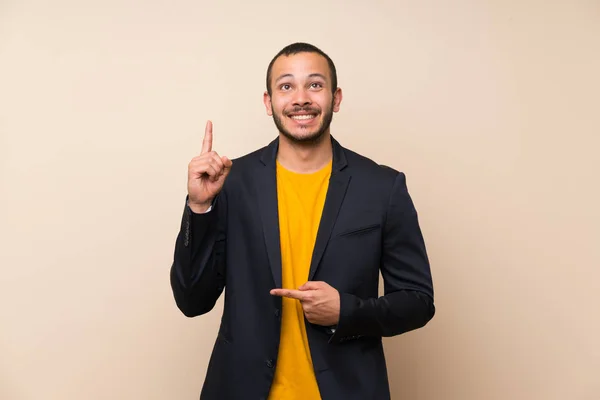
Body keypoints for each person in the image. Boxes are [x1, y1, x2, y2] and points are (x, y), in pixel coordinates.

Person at [169, 42, 435, 400]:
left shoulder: (382, 187)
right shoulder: (232, 182)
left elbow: (418, 301)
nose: (301, 99)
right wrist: (199, 207)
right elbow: (192, 301)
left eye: (314, 85)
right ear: (269, 103)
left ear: (335, 98)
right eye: (286, 86)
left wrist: (348, 311)